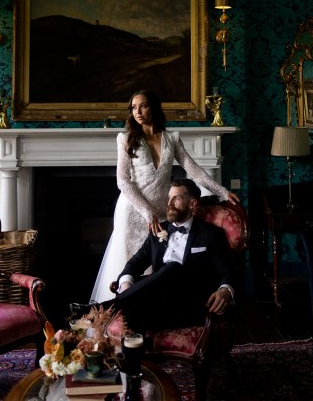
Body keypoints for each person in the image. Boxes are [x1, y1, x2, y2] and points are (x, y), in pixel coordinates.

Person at [90, 89, 240, 303]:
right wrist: (146, 211)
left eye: (143, 106)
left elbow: (194, 169)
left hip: (163, 209)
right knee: (132, 264)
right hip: (133, 210)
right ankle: (115, 314)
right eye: (133, 107)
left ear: (154, 107)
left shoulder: (171, 138)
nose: (137, 111)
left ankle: (155, 314)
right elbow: (122, 181)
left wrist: (222, 191)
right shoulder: (125, 139)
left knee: (157, 263)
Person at [73, 178, 235, 333]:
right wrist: (125, 286)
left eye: (176, 199)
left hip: (187, 304)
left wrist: (225, 290)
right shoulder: (158, 231)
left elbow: (227, 272)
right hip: (156, 304)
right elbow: (133, 265)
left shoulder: (210, 234)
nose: (169, 203)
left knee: (172, 267)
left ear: (192, 204)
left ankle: (104, 308)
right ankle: (134, 360)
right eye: (169, 198)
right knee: (134, 305)